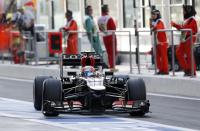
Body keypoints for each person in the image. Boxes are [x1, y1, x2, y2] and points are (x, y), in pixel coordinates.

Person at [171, 5, 198, 76]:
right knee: (178, 52)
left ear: (188, 11)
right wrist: (175, 25)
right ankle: (186, 69)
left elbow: (186, 28)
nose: (183, 12)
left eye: (184, 11)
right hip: (184, 38)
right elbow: (184, 28)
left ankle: (192, 71)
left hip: (190, 38)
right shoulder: (187, 19)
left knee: (189, 55)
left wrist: (175, 25)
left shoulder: (192, 19)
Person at [98, 4, 117, 71]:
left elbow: (101, 29)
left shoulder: (99, 19)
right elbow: (114, 28)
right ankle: (112, 67)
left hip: (105, 37)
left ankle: (111, 66)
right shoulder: (109, 18)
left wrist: (105, 31)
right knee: (113, 52)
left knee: (109, 52)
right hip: (111, 36)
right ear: (107, 10)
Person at [150, 9, 169, 75]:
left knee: (163, 56)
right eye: (152, 14)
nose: (152, 16)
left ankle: (165, 70)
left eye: (154, 14)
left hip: (162, 42)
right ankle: (160, 69)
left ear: (157, 15)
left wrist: (153, 28)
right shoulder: (153, 22)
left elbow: (159, 28)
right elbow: (152, 30)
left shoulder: (160, 21)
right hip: (156, 42)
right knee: (157, 56)